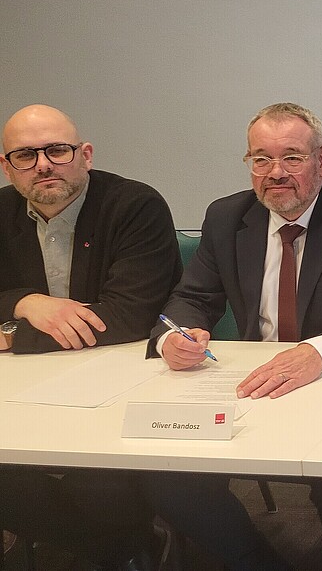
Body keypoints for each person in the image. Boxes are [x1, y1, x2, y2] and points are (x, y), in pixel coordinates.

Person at [143, 102, 322, 571]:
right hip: (250, 384)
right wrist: (172, 339)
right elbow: (191, 298)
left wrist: (315, 352)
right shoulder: (227, 216)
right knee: (167, 477)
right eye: (261, 159)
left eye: (292, 157)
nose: (275, 172)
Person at [0, 104, 180, 570]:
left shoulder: (135, 205)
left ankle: (122, 545)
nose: (43, 165)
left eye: (57, 150)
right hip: (21, 384)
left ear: (85, 154)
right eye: (25, 155)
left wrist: (12, 336)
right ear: (7, 166)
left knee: (99, 482)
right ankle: (113, 546)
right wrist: (26, 302)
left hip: (123, 376)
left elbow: (129, 316)